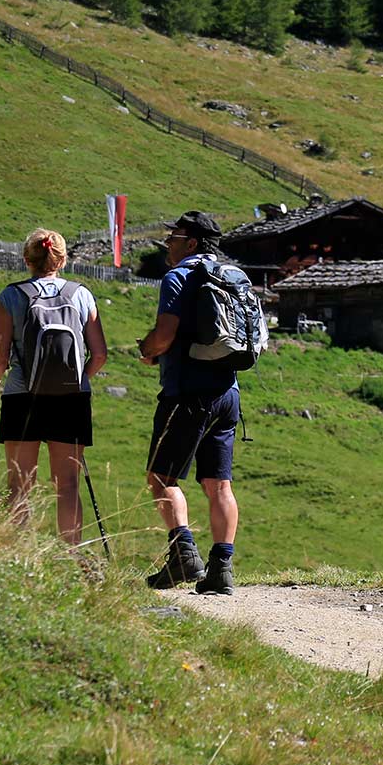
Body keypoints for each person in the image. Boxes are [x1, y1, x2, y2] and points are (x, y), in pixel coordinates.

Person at [137, 210, 242, 594]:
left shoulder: (179, 276)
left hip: (187, 393)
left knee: (160, 476)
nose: (168, 243)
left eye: (174, 237)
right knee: (219, 484)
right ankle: (221, 571)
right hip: (228, 394)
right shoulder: (231, 276)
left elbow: (165, 335)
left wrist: (146, 350)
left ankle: (183, 555)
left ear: (192, 243)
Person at [0, 228, 108, 549]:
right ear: (62, 259)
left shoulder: (10, 296)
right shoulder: (81, 294)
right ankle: (72, 556)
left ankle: (18, 556)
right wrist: (79, 380)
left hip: (22, 397)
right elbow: (100, 353)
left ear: (27, 259)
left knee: (19, 484)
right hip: (71, 400)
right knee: (67, 485)